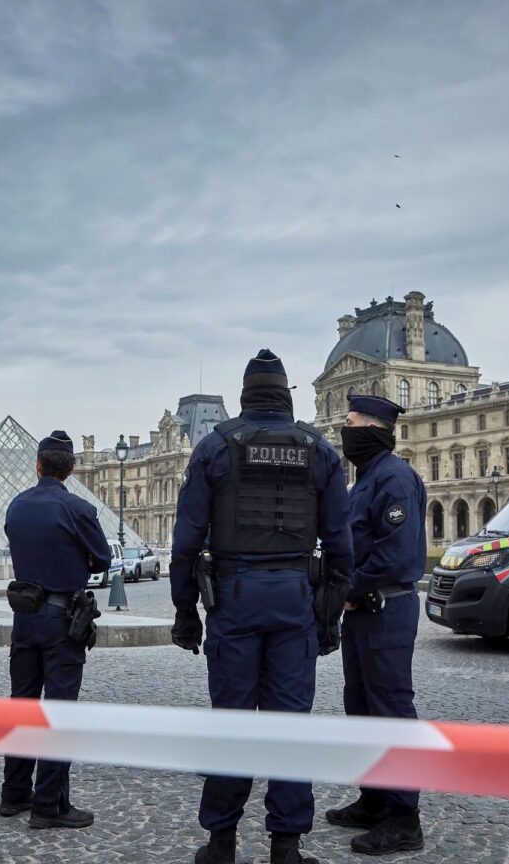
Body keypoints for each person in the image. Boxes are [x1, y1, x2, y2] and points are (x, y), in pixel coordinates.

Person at [170, 349, 354, 864]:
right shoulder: (319, 450)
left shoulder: (215, 446)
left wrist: (187, 613)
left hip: (233, 598)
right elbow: (341, 547)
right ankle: (286, 847)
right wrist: (330, 616)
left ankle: (221, 842)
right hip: (296, 597)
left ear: (246, 395)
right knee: (290, 723)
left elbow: (185, 543)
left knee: (231, 720)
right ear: (286, 395)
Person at [325, 394, 427, 855]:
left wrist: (349, 587)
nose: (344, 431)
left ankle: (404, 818)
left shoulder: (395, 479)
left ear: (371, 428)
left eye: (349, 422)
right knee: (361, 706)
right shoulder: (367, 479)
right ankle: (373, 797)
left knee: (391, 711)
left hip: (385, 608)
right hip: (365, 611)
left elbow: (397, 555)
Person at [1, 430, 112, 830]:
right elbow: (101, 559)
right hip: (62, 619)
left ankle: (14, 794)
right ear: (72, 468)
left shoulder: (17, 505)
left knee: (23, 707)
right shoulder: (77, 508)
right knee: (58, 713)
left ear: (37, 464)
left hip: (24, 618)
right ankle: (49, 805)